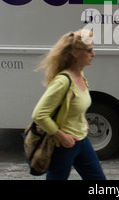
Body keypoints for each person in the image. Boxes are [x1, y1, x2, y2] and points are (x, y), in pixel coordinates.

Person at [32, 29, 106, 180]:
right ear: (74, 53)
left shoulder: (80, 75)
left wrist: (81, 118)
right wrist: (62, 136)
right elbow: (39, 114)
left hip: (82, 140)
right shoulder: (63, 81)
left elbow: (74, 104)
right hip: (63, 146)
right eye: (89, 50)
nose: (94, 54)